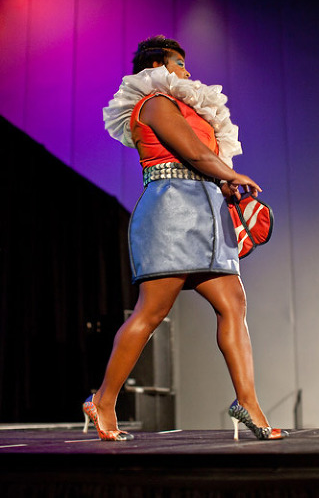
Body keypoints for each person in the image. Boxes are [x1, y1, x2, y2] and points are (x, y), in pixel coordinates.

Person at [89, 35, 285, 441]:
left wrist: (226, 186)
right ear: (156, 67)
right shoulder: (154, 102)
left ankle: (247, 403)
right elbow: (194, 153)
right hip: (170, 212)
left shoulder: (187, 108)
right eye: (179, 63)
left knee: (233, 304)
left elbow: (204, 160)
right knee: (151, 312)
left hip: (207, 214)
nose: (187, 70)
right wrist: (232, 174)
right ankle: (103, 401)